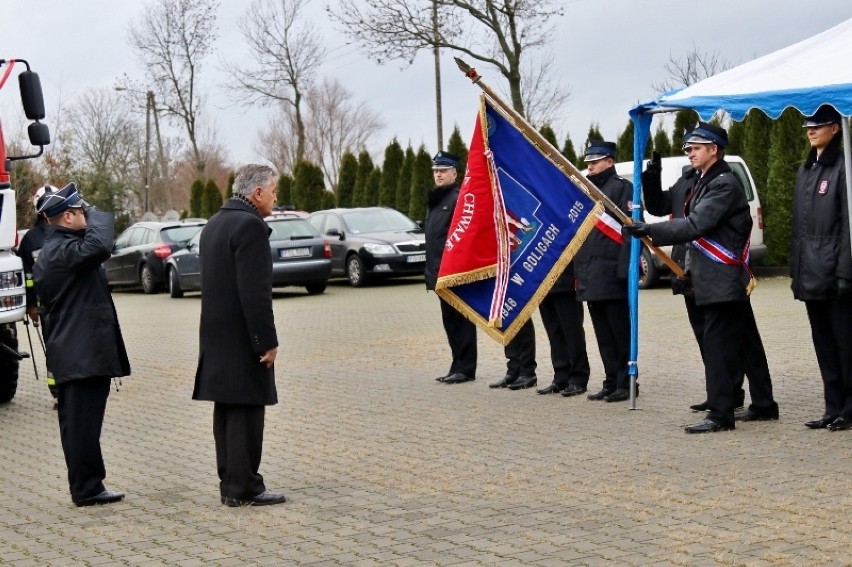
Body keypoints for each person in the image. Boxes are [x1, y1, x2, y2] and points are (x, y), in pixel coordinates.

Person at [625, 122, 776, 433]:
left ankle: (722, 414)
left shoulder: (723, 184)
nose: (689, 152)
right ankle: (748, 402)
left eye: (695, 147)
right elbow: (664, 205)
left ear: (714, 149)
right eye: (688, 148)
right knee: (731, 343)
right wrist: (650, 179)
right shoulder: (695, 179)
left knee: (723, 346)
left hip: (720, 277)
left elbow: (695, 224)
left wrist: (650, 230)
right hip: (698, 277)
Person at [192, 164, 286, 506]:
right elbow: (255, 292)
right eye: (273, 190)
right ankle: (246, 486)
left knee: (228, 410)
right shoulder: (251, 227)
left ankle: (231, 485)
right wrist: (267, 341)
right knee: (247, 411)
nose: (276, 197)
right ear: (257, 193)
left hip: (216, 333)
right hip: (243, 334)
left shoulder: (214, 223)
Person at [33, 183, 130, 506]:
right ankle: (87, 488)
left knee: (82, 424)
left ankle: (89, 484)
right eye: (80, 212)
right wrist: (94, 211)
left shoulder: (63, 248)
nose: (86, 216)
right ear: (67, 217)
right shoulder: (63, 251)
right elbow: (101, 244)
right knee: (80, 426)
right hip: (80, 354)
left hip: (79, 353)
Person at [792, 105, 852, 432]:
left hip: (835, 273)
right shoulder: (806, 170)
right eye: (808, 126)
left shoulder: (844, 167)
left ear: (836, 128)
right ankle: (833, 406)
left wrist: (845, 272)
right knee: (824, 344)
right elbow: (799, 228)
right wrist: (796, 271)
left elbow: (847, 227)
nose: (811, 131)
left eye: (819, 126)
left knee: (845, 344)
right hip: (811, 272)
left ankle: (849, 407)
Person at [575, 141, 634, 403]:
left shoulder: (622, 188)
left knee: (619, 331)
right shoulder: (585, 192)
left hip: (612, 271)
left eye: (596, 161)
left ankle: (626, 381)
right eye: (588, 162)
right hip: (590, 272)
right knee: (603, 333)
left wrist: (625, 268)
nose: (590, 166)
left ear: (610, 161)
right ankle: (611, 380)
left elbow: (628, 231)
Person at [425, 151, 478, 384]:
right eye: (436, 171)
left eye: (443, 171)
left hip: (454, 271)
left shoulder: (458, 198)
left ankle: (466, 368)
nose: (438, 175)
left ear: (454, 173)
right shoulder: (436, 200)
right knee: (450, 322)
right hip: (439, 271)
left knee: (461, 321)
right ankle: (456, 363)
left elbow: (462, 236)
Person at [17, 185, 59, 405]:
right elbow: (27, 277)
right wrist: (31, 305)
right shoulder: (31, 240)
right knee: (54, 349)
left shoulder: (70, 231)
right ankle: (58, 393)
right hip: (48, 307)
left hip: (71, 304)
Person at [534, 262, 592, 397]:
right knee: (553, 332)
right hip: (542, 280)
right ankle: (561, 376)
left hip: (566, 279)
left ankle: (579, 377)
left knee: (572, 331)